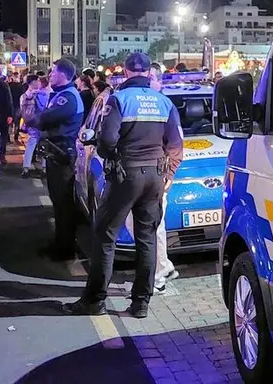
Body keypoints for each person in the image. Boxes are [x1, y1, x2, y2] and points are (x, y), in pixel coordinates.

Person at [63, 52, 183, 318]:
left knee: (105, 236)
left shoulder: (119, 99)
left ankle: (95, 301)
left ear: (127, 71)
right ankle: (141, 304)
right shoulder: (164, 102)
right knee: (147, 239)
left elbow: (106, 141)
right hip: (155, 176)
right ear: (147, 72)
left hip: (125, 175)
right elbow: (175, 145)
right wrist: (169, 174)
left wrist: (112, 157)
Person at [26, 59, 84, 261]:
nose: (50, 74)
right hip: (56, 153)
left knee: (63, 202)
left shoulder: (67, 97)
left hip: (62, 154)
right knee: (58, 202)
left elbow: (43, 119)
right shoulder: (60, 94)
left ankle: (66, 248)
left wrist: (36, 119)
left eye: (53, 71)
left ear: (64, 74)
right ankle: (61, 243)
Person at [149, 63, 180, 293]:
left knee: (155, 224)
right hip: (144, 176)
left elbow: (177, 145)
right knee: (151, 224)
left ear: (159, 81)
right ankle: (163, 266)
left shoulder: (166, 106)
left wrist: (169, 174)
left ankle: (160, 273)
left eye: (150, 77)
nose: (146, 81)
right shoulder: (145, 104)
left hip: (158, 176)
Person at [19, 75, 49, 178]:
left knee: (30, 144)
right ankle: (44, 169)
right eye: (37, 81)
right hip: (43, 123)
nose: (39, 83)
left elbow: (22, 111)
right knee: (45, 145)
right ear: (33, 82)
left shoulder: (24, 96)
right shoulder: (43, 94)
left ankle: (26, 168)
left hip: (31, 123)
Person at [8, 73, 25, 143]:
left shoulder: (9, 85)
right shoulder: (21, 86)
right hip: (18, 105)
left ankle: (8, 138)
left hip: (10, 106)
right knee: (17, 123)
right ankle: (16, 137)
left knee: (9, 123)